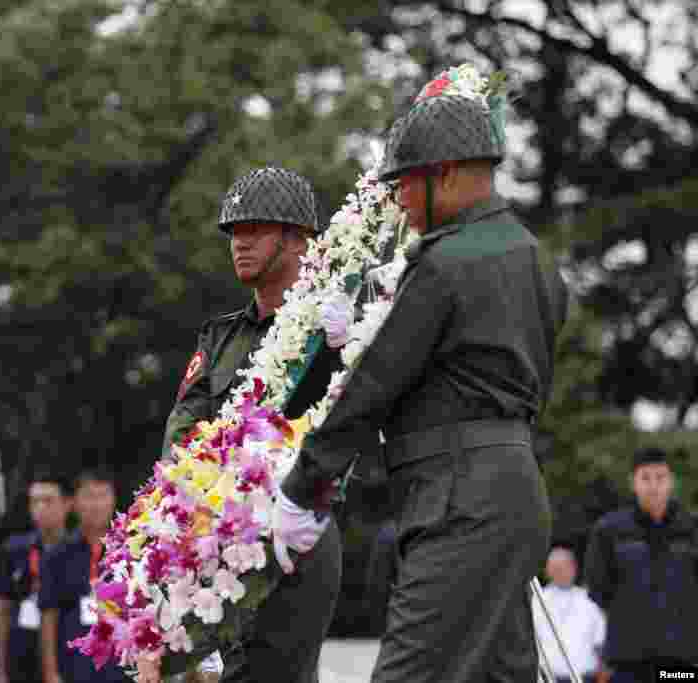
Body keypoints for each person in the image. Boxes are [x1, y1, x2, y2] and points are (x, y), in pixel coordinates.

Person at [276, 67, 569, 683]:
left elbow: (375, 384)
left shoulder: (443, 264)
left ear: (449, 174)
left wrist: (303, 489)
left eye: (407, 183)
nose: (400, 200)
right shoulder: (534, 257)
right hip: (513, 492)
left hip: (456, 503)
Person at [157, 167, 343, 683]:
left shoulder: (333, 325)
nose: (239, 242)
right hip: (217, 534)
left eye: (254, 229)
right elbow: (182, 431)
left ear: (297, 238)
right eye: (233, 232)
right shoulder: (219, 338)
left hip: (296, 532)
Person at [583, 448, 698, 681]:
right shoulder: (609, 530)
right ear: (633, 482)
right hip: (628, 658)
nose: (653, 485)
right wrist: (631, 612)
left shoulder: (692, 528)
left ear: (671, 482)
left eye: (660, 477)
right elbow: (597, 587)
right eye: (645, 477)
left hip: (682, 658)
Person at [39, 467, 128, 683]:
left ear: (113, 500)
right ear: (75, 503)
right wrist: (51, 674)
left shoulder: (130, 551)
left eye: (102, 496)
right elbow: (48, 618)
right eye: (89, 496)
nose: (96, 504)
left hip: (120, 667)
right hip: (74, 668)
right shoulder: (56, 556)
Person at [0, 466, 72, 683]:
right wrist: (0, 671)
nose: (40, 507)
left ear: (67, 504)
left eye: (48, 500)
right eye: (35, 501)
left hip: (66, 653)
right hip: (20, 654)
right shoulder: (13, 550)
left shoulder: (77, 551)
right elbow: (2, 612)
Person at [532, 547, 605, 683]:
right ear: (547, 571)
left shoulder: (590, 600)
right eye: (555, 568)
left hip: (585, 677)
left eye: (564, 566)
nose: (560, 572)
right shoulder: (536, 601)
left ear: (574, 568)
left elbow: (600, 642)